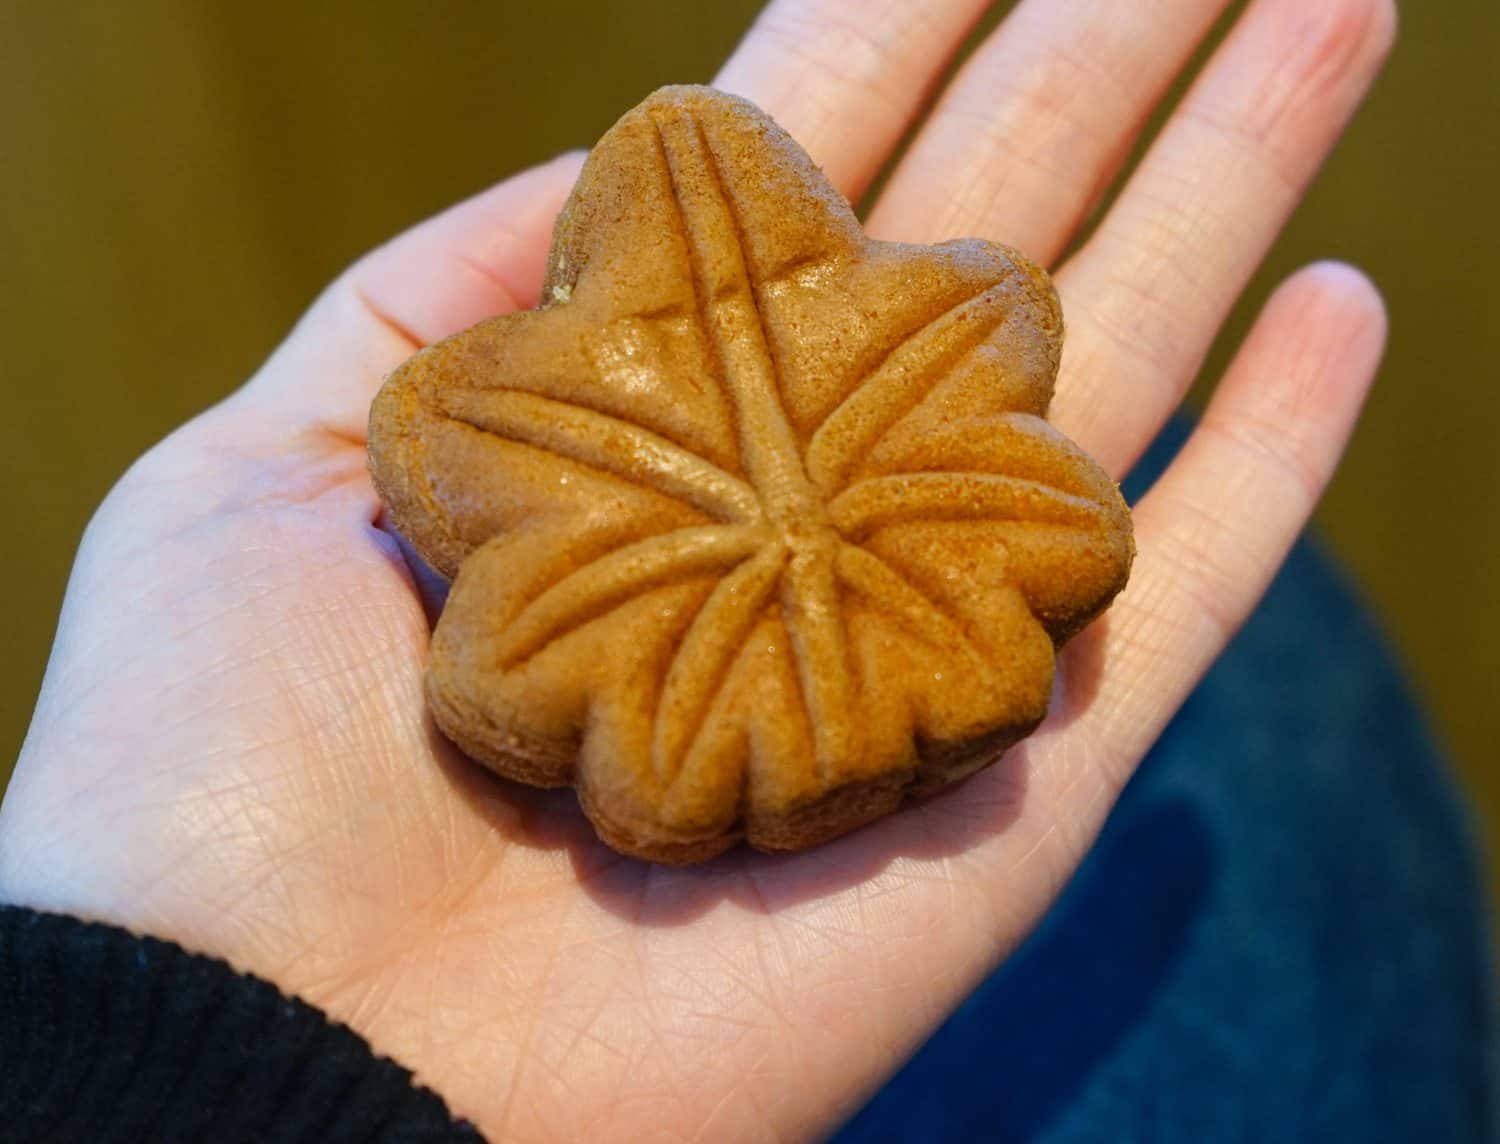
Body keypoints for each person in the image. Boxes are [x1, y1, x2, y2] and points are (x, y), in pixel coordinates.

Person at [1, 0, 1491, 1140]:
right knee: (1282, 730)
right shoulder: (493, 464)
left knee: (1232, 641)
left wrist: (160, 1024)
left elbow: (1023, 470)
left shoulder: (948, 392)